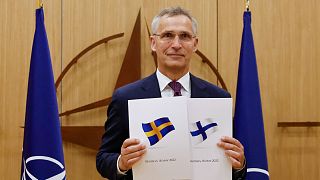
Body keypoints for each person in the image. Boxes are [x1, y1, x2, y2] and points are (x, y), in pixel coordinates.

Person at [96, 6, 246, 180]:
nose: (176, 44)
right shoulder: (125, 98)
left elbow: (233, 165)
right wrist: (121, 162)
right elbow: (103, 159)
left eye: (184, 36)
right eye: (167, 35)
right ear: (153, 43)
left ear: (195, 44)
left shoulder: (219, 98)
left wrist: (239, 163)